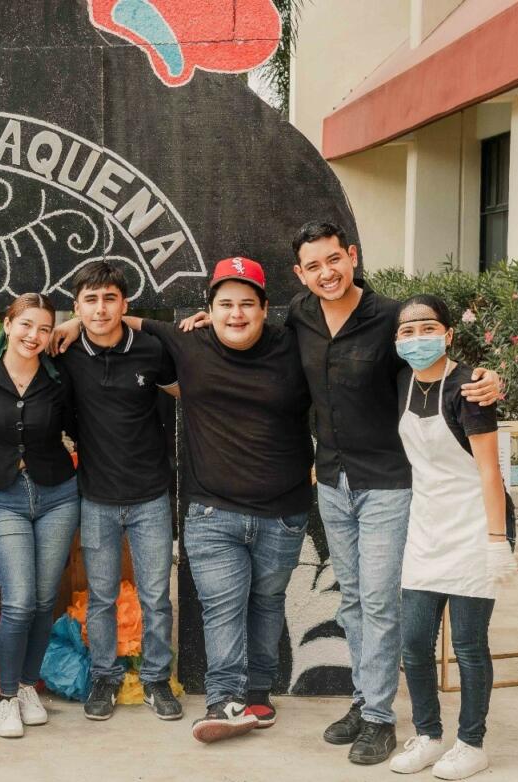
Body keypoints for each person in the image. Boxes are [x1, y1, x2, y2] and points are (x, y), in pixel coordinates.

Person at [58, 257, 314, 743]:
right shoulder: (76, 351)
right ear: (209, 309)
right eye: (225, 304)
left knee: (195, 598)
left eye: (246, 304)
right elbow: (27, 356)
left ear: (264, 308)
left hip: (181, 498)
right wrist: (69, 325)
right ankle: (172, 690)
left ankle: (189, 683)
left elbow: (174, 371)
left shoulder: (169, 348)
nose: (235, 313)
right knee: (126, 598)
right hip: (122, 499)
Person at [285, 222, 501, 766]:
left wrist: (492, 379)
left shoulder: (390, 318)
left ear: (352, 255)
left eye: (334, 259)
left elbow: (440, 366)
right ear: (300, 274)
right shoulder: (300, 315)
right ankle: (366, 702)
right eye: (313, 266)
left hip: (387, 479)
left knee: (380, 601)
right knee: (353, 599)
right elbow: (255, 338)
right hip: (332, 479)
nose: (326, 273)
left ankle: (380, 719)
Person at [0, 261, 183, 722]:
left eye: (110, 299)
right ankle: (103, 677)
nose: (100, 308)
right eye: (90, 300)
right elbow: (3, 377)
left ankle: (156, 680)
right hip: (95, 495)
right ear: (78, 306)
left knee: (155, 597)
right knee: (99, 597)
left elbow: (189, 388)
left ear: (124, 304)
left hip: (149, 494)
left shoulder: (149, 350)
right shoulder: (63, 357)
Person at [387, 295, 517, 781]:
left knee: (467, 644)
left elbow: (489, 472)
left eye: (428, 328)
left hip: (475, 525)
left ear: (448, 334)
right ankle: (428, 735)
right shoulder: (401, 381)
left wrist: (496, 540)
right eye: (407, 331)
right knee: (414, 643)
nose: (417, 339)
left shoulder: (469, 388)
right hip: (427, 526)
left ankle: (471, 743)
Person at [0, 293, 79, 739]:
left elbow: (81, 425)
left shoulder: (59, 378)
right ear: (7, 324)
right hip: (5, 497)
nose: (34, 336)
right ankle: (7, 697)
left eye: (44, 328)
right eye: (26, 325)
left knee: (44, 600)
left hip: (58, 494)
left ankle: (29, 686)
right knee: (17, 603)